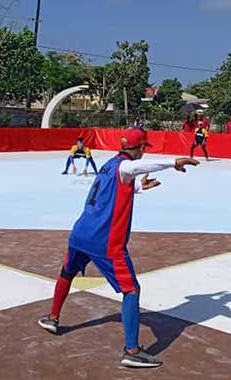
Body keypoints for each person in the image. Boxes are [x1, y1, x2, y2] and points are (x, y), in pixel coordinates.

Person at [37, 128, 199, 368]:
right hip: (105, 242)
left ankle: (52, 318)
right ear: (138, 148)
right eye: (144, 147)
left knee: (67, 273)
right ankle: (132, 351)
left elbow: (110, 193)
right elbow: (134, 169)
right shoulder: (125, 166)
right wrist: (173, 162)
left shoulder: (108, 166)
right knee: (131, 290)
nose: (145, 151)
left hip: (80, 233)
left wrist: (140, 188)